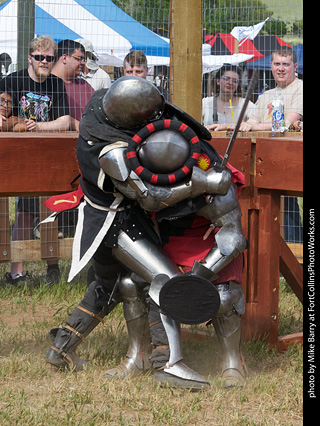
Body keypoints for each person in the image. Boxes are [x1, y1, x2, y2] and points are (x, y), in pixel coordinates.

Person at [44, 76, 247, 389]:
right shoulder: (112, 152)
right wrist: (202, 184)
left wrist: (203, 272)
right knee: (162, 280)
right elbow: (150, 197)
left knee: (111, 287)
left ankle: (61, 350)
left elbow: (232, 235)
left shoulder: (102, 108)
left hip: (122, 217)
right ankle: (168, 363)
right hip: (114, 222)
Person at [1, 35, 71, 286]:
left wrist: (39, 125)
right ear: (30, 57)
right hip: (18, 155)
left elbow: (64, 121)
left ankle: (54, 268)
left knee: (51, 210)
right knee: (23, 212)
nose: (44, 62)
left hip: (48, 155)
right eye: (39, 57)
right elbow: (1, 114)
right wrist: (19, 124)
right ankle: (16, 273)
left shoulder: (56, 84)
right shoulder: (12, 80)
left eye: (49, 58)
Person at [239, 47, 303, 132]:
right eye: (277, 64)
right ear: (271, 66)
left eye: (286, 64)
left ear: (295, 67)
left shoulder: (300, 88)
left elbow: (288, 123)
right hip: (263, 144)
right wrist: (227, 126)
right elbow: (251, 123)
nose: (281, 69)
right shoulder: (265, 95)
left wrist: (255, 127)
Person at [51, 39, 95, 131]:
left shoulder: (85, 86)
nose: (83, 63)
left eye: (84, 60)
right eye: (79, 58)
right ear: (64, 58)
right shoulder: (45, 83)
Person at [202, 64, 256, 130]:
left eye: (234, 81)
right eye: (226, 79)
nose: (230, 83)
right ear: (218, 81)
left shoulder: (246, 104)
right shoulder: (205, 103)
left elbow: (257, 122)